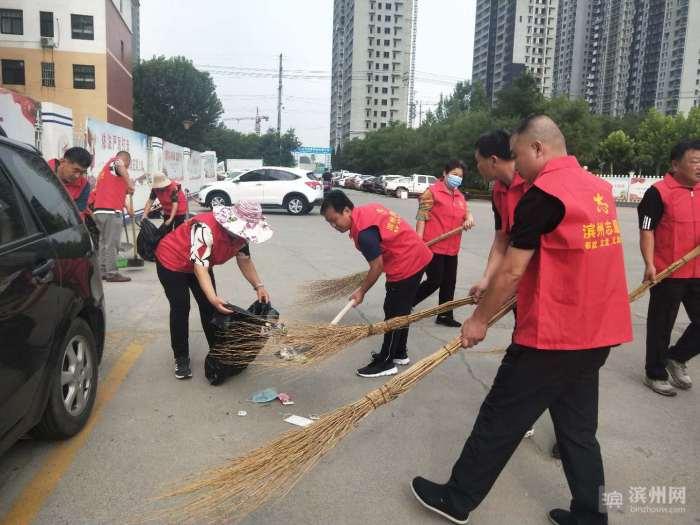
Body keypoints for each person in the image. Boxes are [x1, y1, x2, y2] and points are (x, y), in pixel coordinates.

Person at [411, 116, 632, 525]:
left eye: (518, 155)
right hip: (598, 333)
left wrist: (478, 321)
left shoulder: (543, 195)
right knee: (578, 431)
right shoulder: (598, 190)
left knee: (500, 417)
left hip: (554, 335)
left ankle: (457, 499)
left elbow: (513, 270)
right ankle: (591, 515)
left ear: (538, 149)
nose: (516, 165)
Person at [154, 201, 272, 379]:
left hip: (200, 263)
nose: (244, 235)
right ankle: (181, 357)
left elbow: (244, 260)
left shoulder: (241, 237)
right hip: (171, 261)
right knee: (181, 307)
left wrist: (259, 286)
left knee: (210, 308)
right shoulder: (205, 228)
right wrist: (213, 296)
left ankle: (217, 352)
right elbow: (199, 268)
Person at [321, 190, 433, 377]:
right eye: (329, 222)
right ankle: (399, 353)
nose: (333, 226)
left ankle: (386, 362)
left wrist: (361, 291)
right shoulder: (368, 209)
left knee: (393, 312)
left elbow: (377, 266)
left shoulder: (364, 234)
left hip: (407, 263)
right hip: (416, 254)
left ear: (347, 211)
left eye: (334, 219)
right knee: (402, 310)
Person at [638, 139, 700, 396]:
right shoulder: (658, 192)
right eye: (694, 161)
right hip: (668, 271)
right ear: (675, 165)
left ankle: (677, 357)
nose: (699, 166)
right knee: (661, 325)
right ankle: (655, 372)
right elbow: (647, 230)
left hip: (698, 272)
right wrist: (650, 263)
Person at [413, 160, 474, 327]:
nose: (457, 178)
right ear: (445, 173)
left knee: (449, 282)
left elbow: (466, 213)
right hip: (433, 246)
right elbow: (422, 216)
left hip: (452, 248)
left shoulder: (459, 195)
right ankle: (407, 303)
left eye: (460, 176)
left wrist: (469, 219)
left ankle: (445, 315)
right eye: (454, 174)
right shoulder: (431, 192)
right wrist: (419, 240)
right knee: (435, 280)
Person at [470, 130, 528, 301]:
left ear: (493, 160)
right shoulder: (498, 191)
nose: (477, 167)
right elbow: (502, 239)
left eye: (478, 162)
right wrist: (487, 279)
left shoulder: (533, 185)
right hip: (517, 278)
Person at [89, 151, 135, 283]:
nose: (127, 169)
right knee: (112, 244)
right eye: (128, 165)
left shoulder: (106, 173)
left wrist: (127, 190)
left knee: (103, 242)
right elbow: (120, 164)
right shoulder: (116, 161)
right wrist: (130, 185)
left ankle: (103, 271)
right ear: (127, 161)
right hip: (110, 212)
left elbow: (116, 191)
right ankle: (112, 273)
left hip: (100, 211)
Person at [48, 147, 92, 212]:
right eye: (75, 170)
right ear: (62, 161)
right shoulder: (42, 171)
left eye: (82, 172)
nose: (77, 176)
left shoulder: (84, 186)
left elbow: (76, 213)